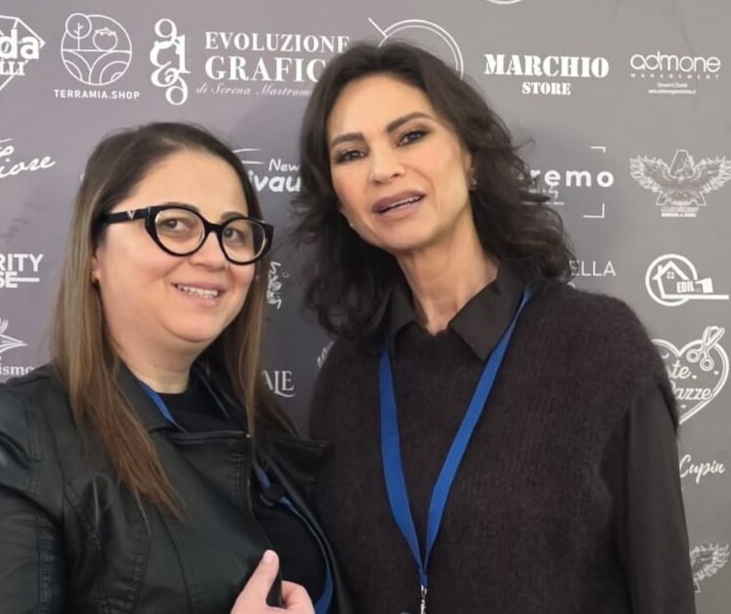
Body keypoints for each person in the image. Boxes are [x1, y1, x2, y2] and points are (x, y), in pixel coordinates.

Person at [293, 42, 696, 613]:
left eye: (410, 136)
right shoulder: (347, 375)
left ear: (472, 159)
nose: (382, 170)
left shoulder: (601, 348)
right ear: (340, 204)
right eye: (351, 154)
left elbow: (664, 595)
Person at [0, 122, 352, 614]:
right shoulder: (14, 438)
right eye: (174, 224)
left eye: (233, 232)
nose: (214, 256)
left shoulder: (255, 428)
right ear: (94, 254)